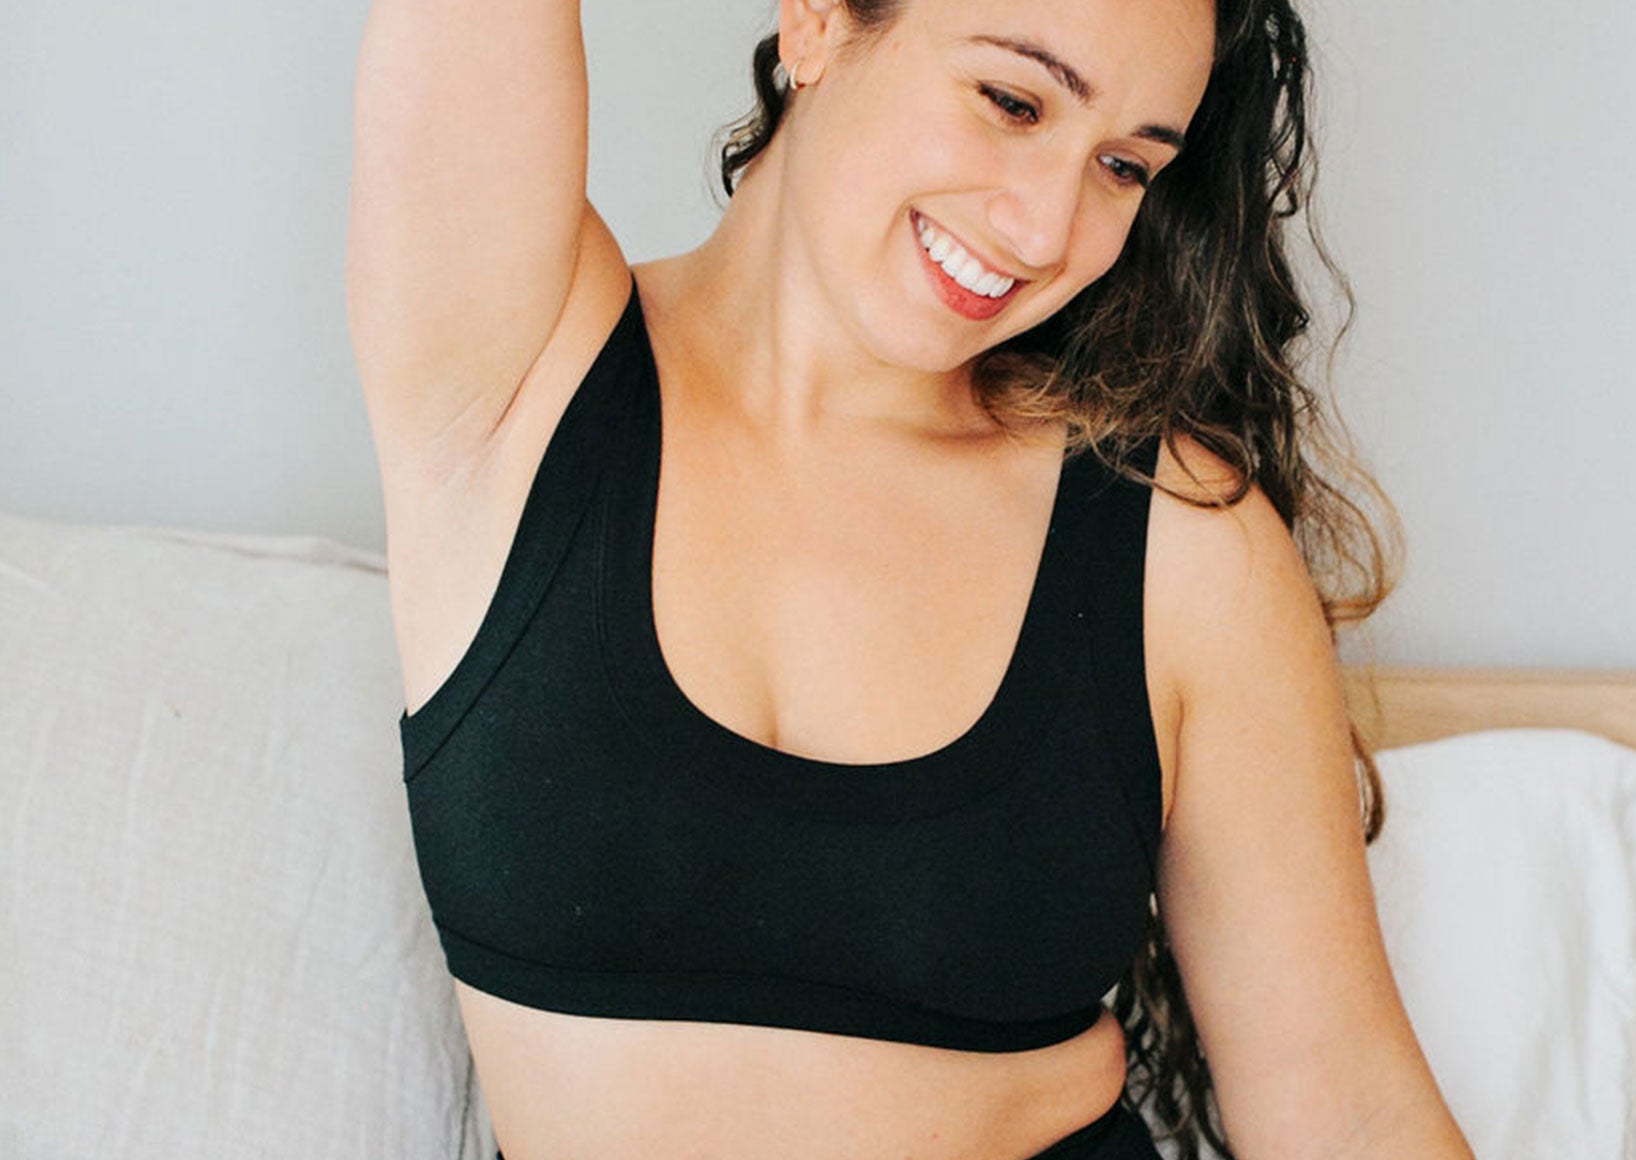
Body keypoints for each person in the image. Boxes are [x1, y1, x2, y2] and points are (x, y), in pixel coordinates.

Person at [346, 0, 1474, 1156]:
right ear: (817, 22)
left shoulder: (1177, 539)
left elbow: (1342, 1103)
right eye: (1012, 101)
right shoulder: (515, 377)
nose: (1045, 229)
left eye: (1122, 166)